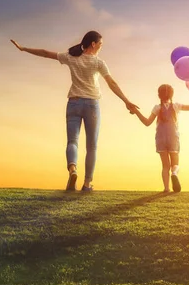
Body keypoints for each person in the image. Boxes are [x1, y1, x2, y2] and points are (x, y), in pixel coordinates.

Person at [10, 31, 138, 192]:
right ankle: (86, 184)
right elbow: (111, 83)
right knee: (92, 146)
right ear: (93, 44)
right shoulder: (99, 63)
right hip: (92, 104)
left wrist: (23, 48)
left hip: (74, 103)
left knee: (72, 141)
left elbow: (44, 53)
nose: (101, 47)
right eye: (100, 44)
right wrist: (126, 101)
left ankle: (73, 170)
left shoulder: (71, 57)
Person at [129, 84, 189, 193]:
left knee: (165, 166)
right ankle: (174, 173)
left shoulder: (157, 108)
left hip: (160, 139)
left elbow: (147, 122)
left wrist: (136, 111)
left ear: (159, 95)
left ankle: (166, 188)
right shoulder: (176, 106)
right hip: (173, 138)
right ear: (172, 94)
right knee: (175, 165)